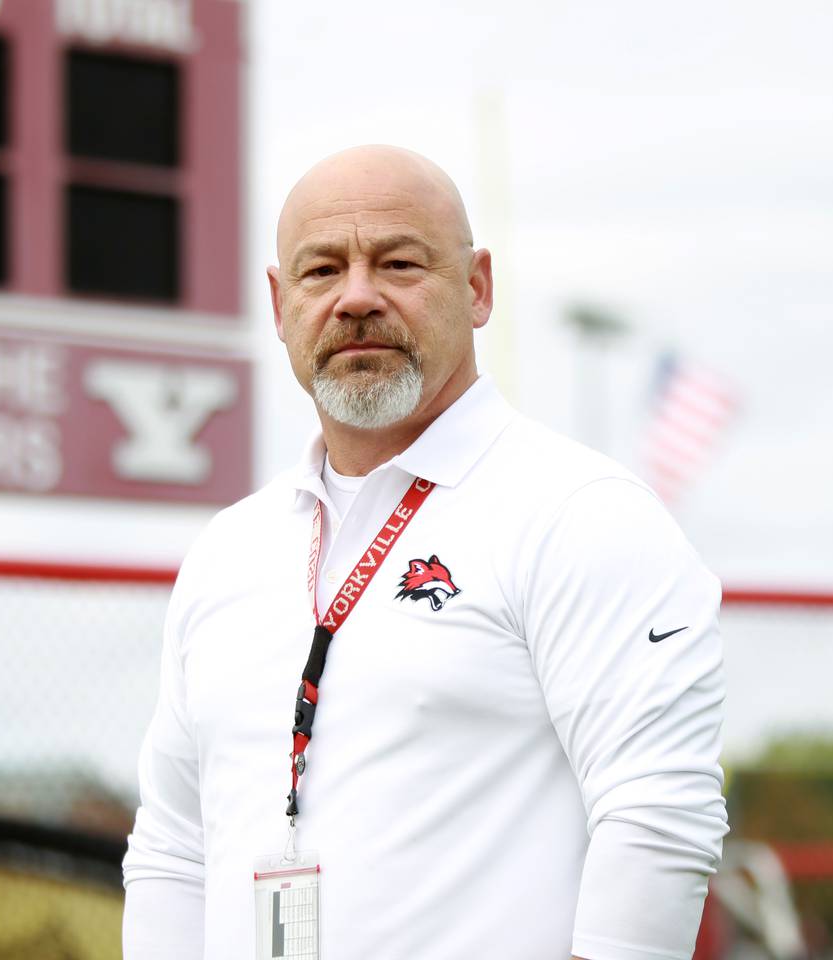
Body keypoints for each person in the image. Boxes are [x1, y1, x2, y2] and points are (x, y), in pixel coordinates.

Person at [122, 144, 728, 960]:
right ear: (278, 303)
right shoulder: (228, 551)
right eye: (321, 270)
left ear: (477, 288)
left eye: (399, 263)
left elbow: (658, 812)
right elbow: (171, 848)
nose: (356, 297)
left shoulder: (581, 513)